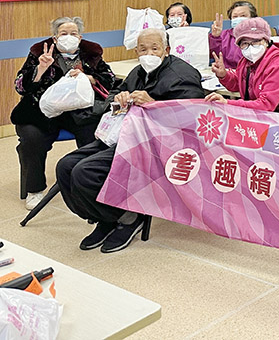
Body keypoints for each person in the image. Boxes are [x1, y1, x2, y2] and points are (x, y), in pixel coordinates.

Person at [56, 29, 204, 253]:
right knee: (65, 167)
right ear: (136, 51)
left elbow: (190, 119)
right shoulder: (138, 71)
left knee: (85, 173)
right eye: (143, 49)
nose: (148, 54)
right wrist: (119, 99)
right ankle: (105, 217)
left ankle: (129, 217)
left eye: (155, 48)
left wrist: (153, 103)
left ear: (167, 49)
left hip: (157, 143)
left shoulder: (182, 74)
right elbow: (112, 96)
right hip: (125, 134)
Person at [12, 17, 116, 209]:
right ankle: (34, 190)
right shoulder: (40, 53)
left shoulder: (91, 54)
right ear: (55, 38)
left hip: (80, 113)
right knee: (32, 140)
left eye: (73, 33)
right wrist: (40, 69)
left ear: (80, 37)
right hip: (41, 113)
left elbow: (110, 79)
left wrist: (89, 78)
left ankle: (90, 186)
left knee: (96, 138)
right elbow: (20, 86)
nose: (69, 37)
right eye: (63, 33)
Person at [210, 0, 257, 69]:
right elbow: (213, 55)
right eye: (235, 16)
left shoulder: (258, 37)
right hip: (226, 72)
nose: (238, 19)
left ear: (252, 18)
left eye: (243, 15)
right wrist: (215, 38)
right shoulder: (223, 35)